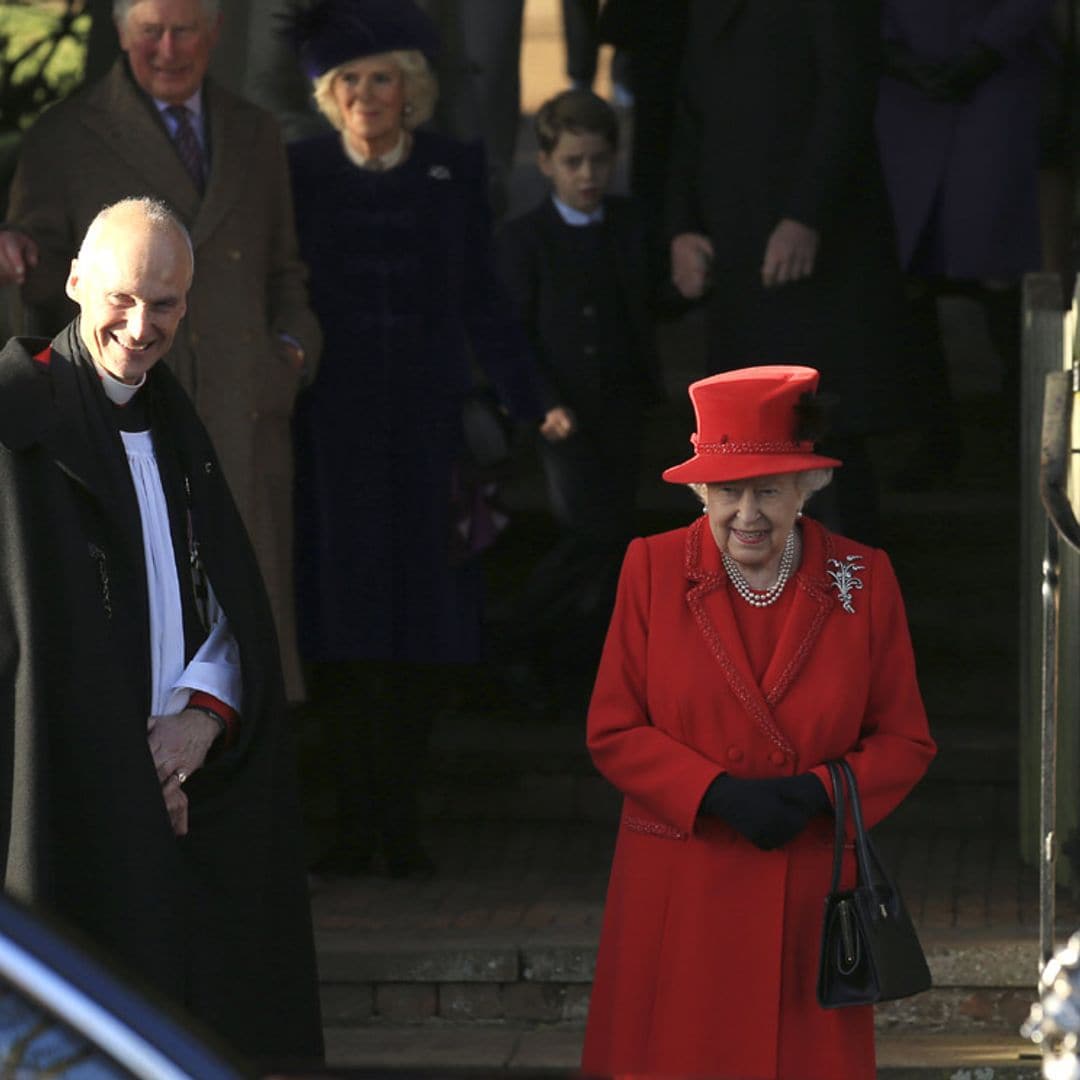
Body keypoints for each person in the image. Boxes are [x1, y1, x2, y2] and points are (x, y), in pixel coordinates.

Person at [0, 198, 322, 1064]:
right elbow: (33, 634)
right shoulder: (18, 418)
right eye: (122, 297)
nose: (142, 327)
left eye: (167, 304)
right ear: (74, 283)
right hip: (71, 790)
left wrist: (201, 719)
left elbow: (225, 604)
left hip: (187, 784)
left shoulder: (177, 424)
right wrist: (128, 759)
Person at [581, 366, 936, 1078]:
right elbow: (613, 728)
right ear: (699, 490)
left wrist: (821, 794)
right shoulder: (650, 568)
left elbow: (905, 739)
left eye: (769, 490)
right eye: (728, 491)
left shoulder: (863, 578)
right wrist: (713, 792)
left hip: (808, 883)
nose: (748, 513)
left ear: (806, 488)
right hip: (681, 881)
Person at [285, 0, 544, 877]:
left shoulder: (453, 168)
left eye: (382, 78)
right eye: (349, 80)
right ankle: (352, 823)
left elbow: (482, 296)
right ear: (328, 93)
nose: (366, 94)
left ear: (414, 89)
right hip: (333, 438)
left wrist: (529, 397)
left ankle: (401, 822)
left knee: (422, 632)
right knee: (346, 630)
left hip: (429, 439)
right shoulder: (301, 171)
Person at [0, 0, 320, 700]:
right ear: (120, 34)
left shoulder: (255, 131)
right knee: (146, 651)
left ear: (216, 34)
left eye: (185, 31)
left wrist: (290, 356)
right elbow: (39, 276)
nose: (169, 49)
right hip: (128, 427)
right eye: (151, 31)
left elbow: (284, 271)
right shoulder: (64, 135)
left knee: (247, 650)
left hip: (243, 418)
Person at [667, 0, 912, 545]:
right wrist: (682, 228)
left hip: (821, 257)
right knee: (746, 447)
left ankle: (848, 608)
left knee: (825, 442)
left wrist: (806, 215)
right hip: (734, 248)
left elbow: (847, 92)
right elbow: (687, 113)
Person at [496, 88, 663, 700]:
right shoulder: (525, 238)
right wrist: (539, 400)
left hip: (621, 407)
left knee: (615, 537)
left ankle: (577, 662)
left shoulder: (631, 224)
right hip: (561, 418)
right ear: (545, 164)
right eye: (572, 162)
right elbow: (509, 332)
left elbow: (650, 302)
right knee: (588, 533)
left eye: (598, 160)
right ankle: (516, 638)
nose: (587, 175)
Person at [875, 0, 1056, 484]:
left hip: (999, 83)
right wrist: (892, 54)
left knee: (1002, 269)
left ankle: (1031, 440)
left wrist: (986, 52)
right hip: (901, 95)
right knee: (907, 273)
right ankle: (933, 437)